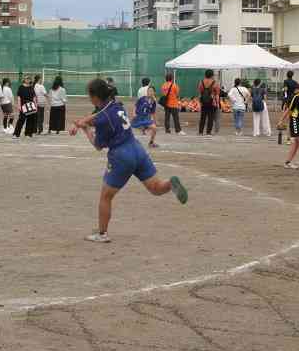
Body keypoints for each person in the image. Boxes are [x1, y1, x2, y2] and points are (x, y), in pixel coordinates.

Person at [69, 79, 188, 243]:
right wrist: (85, 121)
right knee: (156, 188)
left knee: (106, 197)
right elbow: (99, 114)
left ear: (95, 97)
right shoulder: (116, 105)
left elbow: (97, 145)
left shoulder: (103, 119)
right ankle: (171, 184)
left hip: (121, 156)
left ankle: (102, 234)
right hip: (137, 149)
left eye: (90, 96)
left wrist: (85, 128)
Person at [198, 69, 220, 136]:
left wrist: (200, 102)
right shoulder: (215, 82)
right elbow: (217, 94)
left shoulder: (201, 82)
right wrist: (217, 103)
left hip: (203, 101)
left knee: (203, 117)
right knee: (210, 117)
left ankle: (200, 132)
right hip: (212, 102)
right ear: (212, 75)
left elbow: (200, 92)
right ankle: (208, 132)